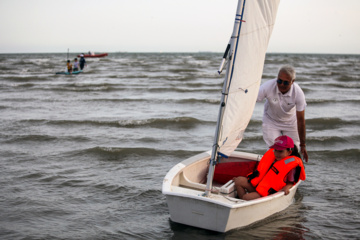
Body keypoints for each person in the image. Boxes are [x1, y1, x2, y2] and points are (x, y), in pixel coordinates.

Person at [257, 65, 308, 162]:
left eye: (286, 82)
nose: (281, 85)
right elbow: (250, 100)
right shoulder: (268, 86)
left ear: (292, 82)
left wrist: (303, 145)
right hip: (271, 121)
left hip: (290, 122)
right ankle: (272, 171)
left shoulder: (298, 93)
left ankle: (293, 174)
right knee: (274, 150)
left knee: (294, 150)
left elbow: (301, 121)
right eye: (279, 81)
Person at [233, 135, 306, 200]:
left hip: (267, 193)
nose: (277, 154)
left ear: (289, 152)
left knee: (246, 197)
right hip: (259, 186)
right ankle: (241, 199)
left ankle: (242, 201)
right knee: (239, 180)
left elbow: (291, 181)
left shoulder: (291, 165)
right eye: (275, 150)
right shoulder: (274, 159)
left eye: (280, 151)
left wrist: (288, 187)